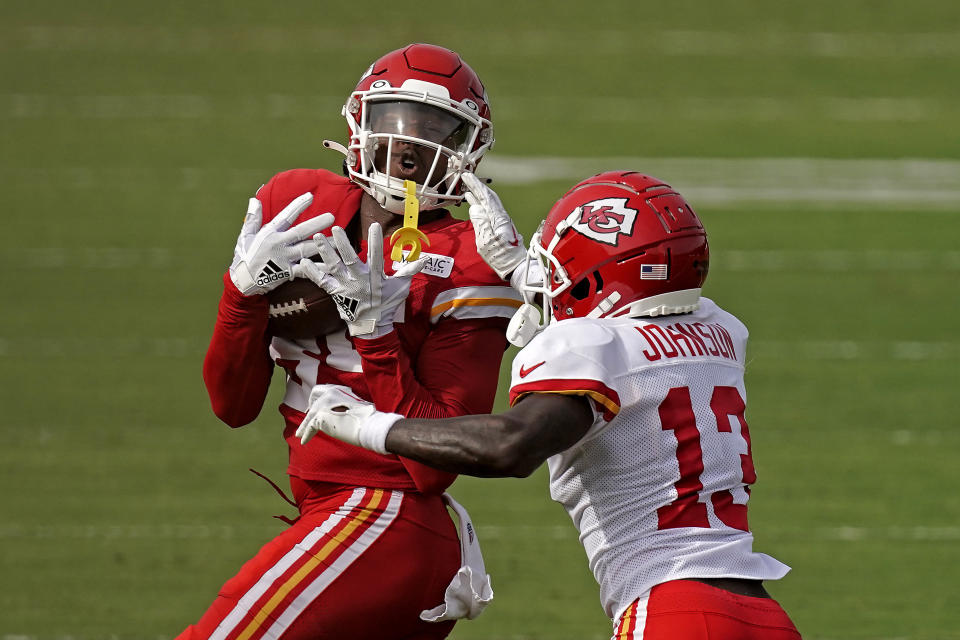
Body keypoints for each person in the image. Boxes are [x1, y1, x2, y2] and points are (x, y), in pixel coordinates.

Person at [300, 171, 803, 639]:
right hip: (764, 615)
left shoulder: (591, 347)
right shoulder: (719, 330)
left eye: (557, 270)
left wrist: (370, 425)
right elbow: (635, 326)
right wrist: (523, 271)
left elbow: (510, 446)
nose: (545, 280)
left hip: (674, 608)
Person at [184, 44, 522, 640]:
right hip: (334, 511)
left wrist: (377, 335)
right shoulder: (297, 202)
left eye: (436, 129)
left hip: (382, 514)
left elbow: (433, 466)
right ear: (357, 123)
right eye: (395, 120)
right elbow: (231, 407)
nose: (411, 145)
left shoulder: (468, 259)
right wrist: (241, 296)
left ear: (470, 145)